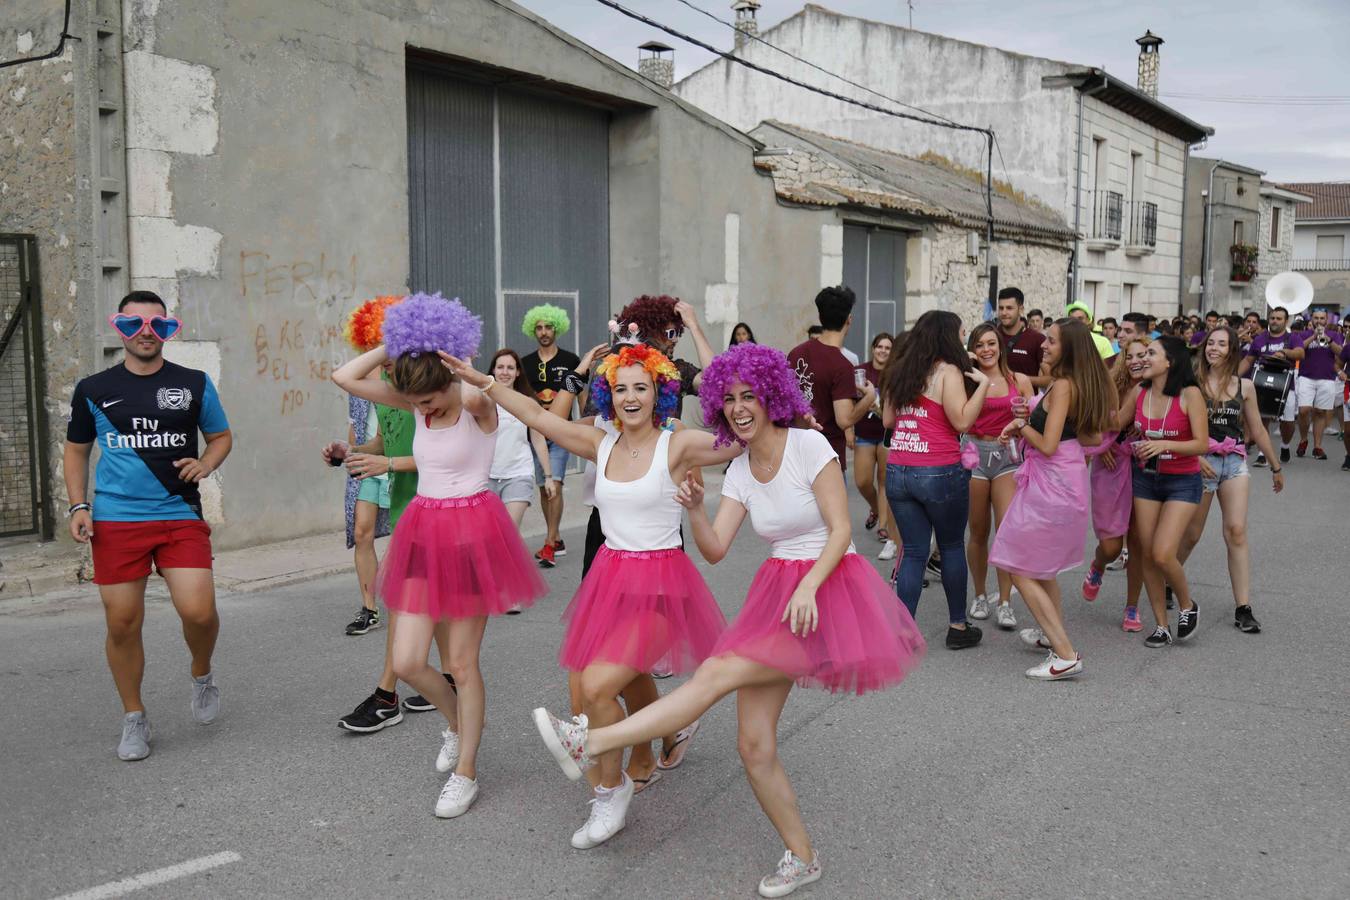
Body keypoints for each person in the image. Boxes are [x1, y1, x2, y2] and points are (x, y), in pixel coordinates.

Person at [529, 342, 925, 898]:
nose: (740, 407)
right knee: (754, 746)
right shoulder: (739, 469)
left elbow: (840, 531)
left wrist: (811, 584)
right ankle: (802, 857)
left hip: (828, 593)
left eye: (750, 396)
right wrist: (692, 506)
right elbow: (714, 550)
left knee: (717, 672)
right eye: (730, 399)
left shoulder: (809, 445)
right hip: (779, 592)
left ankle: (593, 743)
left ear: (772, 397)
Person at [445, 343, 738, 849]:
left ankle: (610, 790)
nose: (630, 397)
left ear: (659, 394)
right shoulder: (599, 444)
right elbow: (536, 413)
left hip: (662, 586)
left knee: (601, 688)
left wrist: (790, 416)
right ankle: (652, 747)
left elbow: (739, 438)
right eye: (620, 388)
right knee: (584, 690)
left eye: (640, 388)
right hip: (610, 578)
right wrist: (485, 381)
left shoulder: (679, 445)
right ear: (607, 393)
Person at [332, 293, 548, 818]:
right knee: (407, 662)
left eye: (428, 399)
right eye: (416, 400)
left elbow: (477, 397)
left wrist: (464, 370)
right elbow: (345, 376)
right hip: (423, 532)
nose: (422, 409)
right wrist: (399, 342)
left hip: (472, 534)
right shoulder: (419, 398)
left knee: (460, 662)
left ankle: (467, 769)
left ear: (447, 380)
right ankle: (458, 722)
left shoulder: (476, 406)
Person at [64, 290, 233, 761]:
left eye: (157, 326)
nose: (145, 333)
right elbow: (76, 450)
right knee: (122, 623)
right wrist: (79, 505)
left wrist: (206, 463)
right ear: (118, 327)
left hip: (179, 514)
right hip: (117, 519)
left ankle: (201, 674)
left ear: (168, 330)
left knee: (199, 612)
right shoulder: (93, 388)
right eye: (133, 324)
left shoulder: (194, 383)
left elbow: (220, 436)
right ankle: (134, 716)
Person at [988, 320, 1114, 679]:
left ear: (1068, 349)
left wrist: (1020, 426)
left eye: (1052, 341)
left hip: (1053, 483)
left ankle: (1065, 653)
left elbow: (1047, 444)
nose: (1044, 344)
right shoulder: (1074, 384)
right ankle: (1051, 636)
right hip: (1061, 479)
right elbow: (1086, 436)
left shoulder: (1062, 386)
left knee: (1017, 564)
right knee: (1041, 566)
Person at [882, 310, 991, 650]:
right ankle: (958, 626)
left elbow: (887, 418)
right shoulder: (948, 372)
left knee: (913, 551)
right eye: (961, 333)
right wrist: (983, 386)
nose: (963, 339)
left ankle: (903, 633)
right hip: (938, 468)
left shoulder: (900, 370)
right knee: (951, 546)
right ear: (947, 336)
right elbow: (961, 422)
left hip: (899, 468)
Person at [1176, 326, 1284, 634]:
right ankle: (1172, 578)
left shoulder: (1245, 387)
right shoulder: (1191, 383)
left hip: (1234, 462)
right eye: (1211, 343)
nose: (1214, 348)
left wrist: (1276, 466)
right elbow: (1180, 425)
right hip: (1201, 462)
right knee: (1191, 535)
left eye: (1221, 344)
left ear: (1232, 350)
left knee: (1236, 531)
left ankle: (1243, 607)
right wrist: (1195, 457)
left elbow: (1258, 429)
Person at [1121, 336, 1209, 649]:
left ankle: (1188, 605)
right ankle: (1161, 625)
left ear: (1169, 362)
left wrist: (1165, 444)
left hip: (1182, 481)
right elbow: (1113, 423)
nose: (1143, 358)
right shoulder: (1139, 390)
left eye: (1151, 353)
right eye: (1142, 354)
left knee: (1161, 553)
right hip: (1146, 478)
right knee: (1146, 551)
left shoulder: (1190, 394)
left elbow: (1201, 443)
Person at [962, 323, 1032, 629]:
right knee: (978, 531)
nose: (986, 350)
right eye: (979, 345)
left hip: (1008, 456)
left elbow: (1035, 415)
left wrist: (1023, 421)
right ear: (972, 350)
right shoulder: (965, 381)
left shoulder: (1019, 380)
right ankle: (979, 594)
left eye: (991, 343)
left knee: (1006, 532)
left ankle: (1005, 601)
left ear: (1000, 346)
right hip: (974, 454)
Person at [1086, 337, 1149, 630]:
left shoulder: (1163, 390)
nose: (1136, 360)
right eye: (1131, 355)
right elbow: (1090, 418)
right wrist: (1106, 444)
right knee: (1111, 546)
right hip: (1110, 466)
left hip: (1145, 467)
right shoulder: (1113, 384)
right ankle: (1099, 565)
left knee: (1138, 543)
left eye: (1144, 355)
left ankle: (1132, 607)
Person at [787, 285, 878, 474]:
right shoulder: (842, 365)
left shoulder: (796, 354)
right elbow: (844, 420)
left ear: (820, 318)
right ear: (849, 320)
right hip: (826, 456)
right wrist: (869, 398)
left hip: (794, 451)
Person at [520, 304, 582, 567]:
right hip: (534, 433)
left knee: (554, 485)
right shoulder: (525, 363)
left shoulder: (571, 361)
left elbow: (582, 395)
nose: (544, 332)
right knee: (545, 489)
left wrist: (584, 425)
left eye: (548, 327)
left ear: (557, 328)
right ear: (533, 330)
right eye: (539, 327)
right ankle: (554, 537)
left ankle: (549, 541)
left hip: (561, 431)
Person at [485, 348, 553, 531]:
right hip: (485, 476)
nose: (505, 372)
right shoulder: (481, 401)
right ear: (493, 370)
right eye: (500, 367)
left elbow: (538, 440)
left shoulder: (526, 401)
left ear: (517, 372)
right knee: (488, 532)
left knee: (509, 531)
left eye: (510, 368)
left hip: (518, 473)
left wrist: (548, 477)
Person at [1239, 306, 1304, 467]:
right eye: (1272, 318)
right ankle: (1263, 454)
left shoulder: (1293, 338)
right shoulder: (1260, 339)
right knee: (1262, 419)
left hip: (1286, 387)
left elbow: (1300, 354)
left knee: (1288, 423)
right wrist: (1233, 376)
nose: (1274, 321)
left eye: (1278, 318)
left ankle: (1285, 445)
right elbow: (1248, 360)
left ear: (1286, 321)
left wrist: (1285, 353)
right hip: (1262, 385)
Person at [853, 333, 897, 560]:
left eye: (888, 348)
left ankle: (884, 525)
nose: (883, 351)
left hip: (888, 434)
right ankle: (877, 509)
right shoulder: (861, 371)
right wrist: (848, 430)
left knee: (884, 481)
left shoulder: (896, 372)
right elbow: (849, 402)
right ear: (873, 348)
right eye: (879, 346)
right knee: (861, 481)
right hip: (864, 433)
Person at [1293, 309, 1343, 460]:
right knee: (1303, 410)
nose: (1319, 321)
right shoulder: (1303, 334)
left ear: (1327, 320)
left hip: (1327, 377)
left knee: (1321, 412)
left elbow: (1341, 352)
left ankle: (1317, 446)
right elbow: (1299, 349)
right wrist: (1313, 336)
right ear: (1312, 319)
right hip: (1306, 377)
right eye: (1316, 318)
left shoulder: (1335, 335)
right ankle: (1303, 439)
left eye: (1322, 318)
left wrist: (1327, 339)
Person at [995, 287, 1047, 384]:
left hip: (1025, 398)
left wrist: (1018, 379)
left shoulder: (1038, 340)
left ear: (1021, 309)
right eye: (1001, 308)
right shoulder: (991, 336)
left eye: (1009, 308)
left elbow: (1049, 379)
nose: (1004, 312)